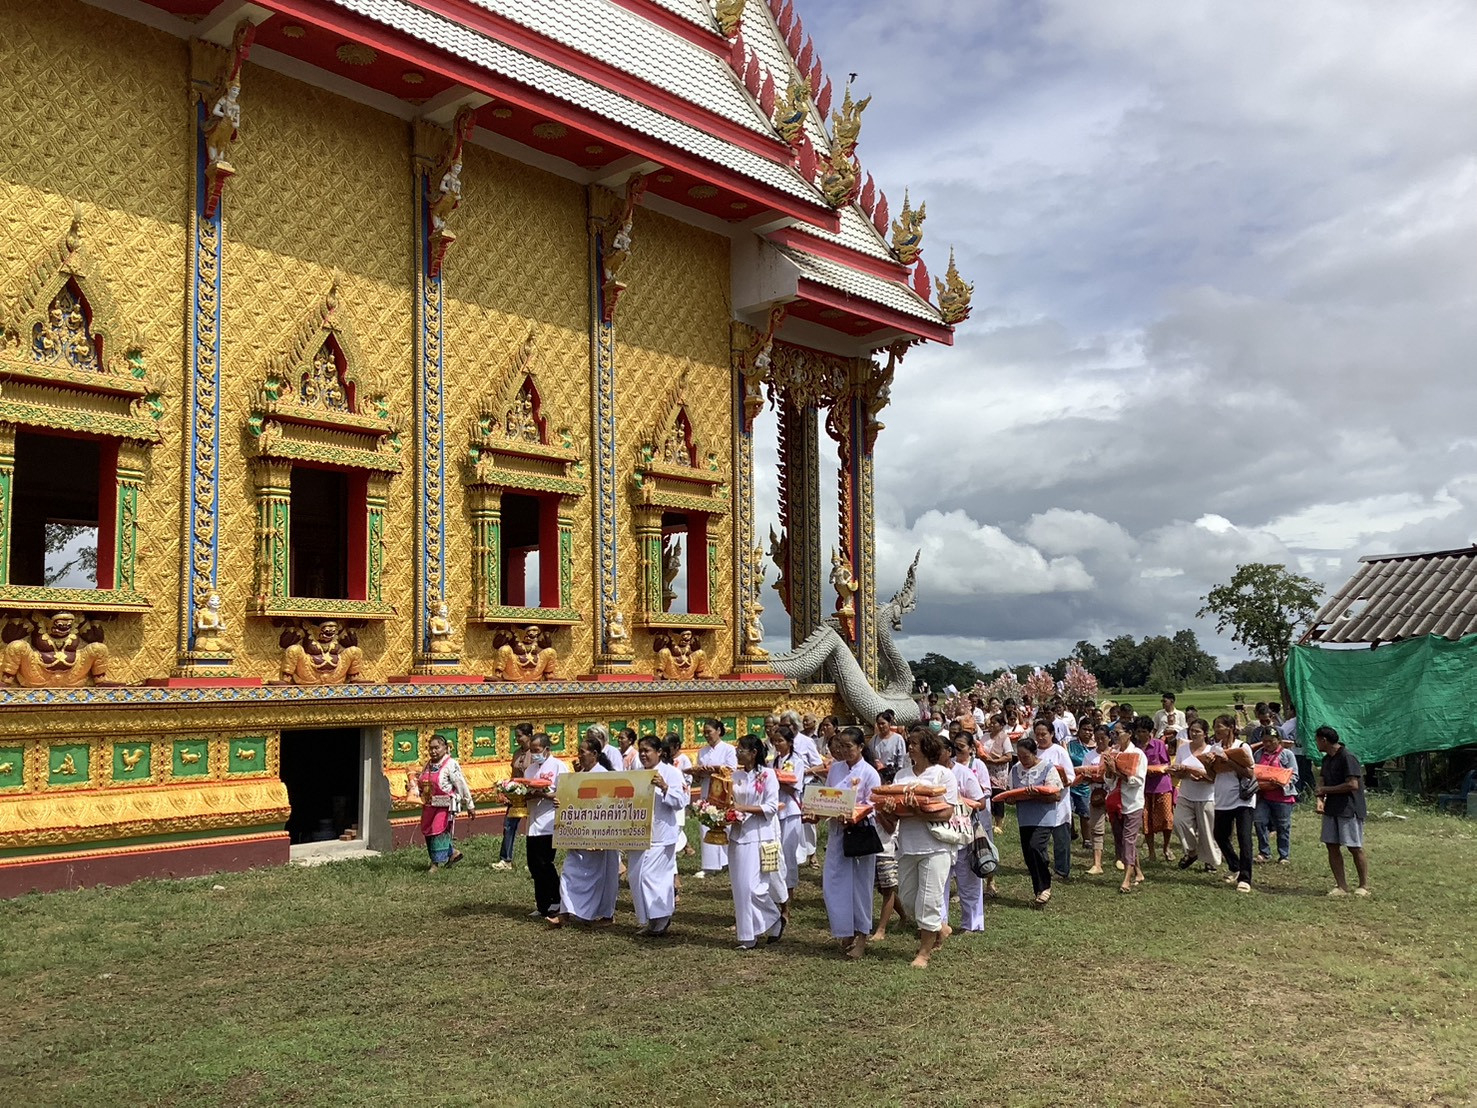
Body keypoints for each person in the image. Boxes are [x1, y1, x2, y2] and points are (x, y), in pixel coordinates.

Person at [888, 729, 958, 968]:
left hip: (935, 846)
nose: (910, 748)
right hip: (907, 845)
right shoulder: (901, 776)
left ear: (927, 747)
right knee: (908, 900)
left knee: (929, 900)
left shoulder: (943, 775)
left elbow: (948, 811)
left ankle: (923, 953)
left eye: (914, 744)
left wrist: (919, 810)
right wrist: (889, 808)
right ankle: (940, 927)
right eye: (909, 743)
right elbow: (895, 811)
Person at [822, 725, 882, 958]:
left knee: (860, 887)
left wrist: (854, 814)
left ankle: (862, 936)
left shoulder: (869, 772)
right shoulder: (835, 769)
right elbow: (828, 796)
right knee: (834, 883)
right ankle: (844, 930)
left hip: (860, 835)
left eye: (849, 747)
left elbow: (873, 805)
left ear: (860, 747)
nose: (845, 751)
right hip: (837, 833)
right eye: (841, 746)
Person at [554, 728, 618, 927]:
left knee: (600, 877)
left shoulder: (606, 776)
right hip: (577, 834)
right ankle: (565, 912)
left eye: (583, 752)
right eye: (579, 751)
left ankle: (600, 914)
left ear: (595, 754)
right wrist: (560, 803)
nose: (579, 755)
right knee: (569, 871)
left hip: (599, 835)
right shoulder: (578, 776)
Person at [727, 734, 784, 949]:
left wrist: (744, 809)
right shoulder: (736, 776)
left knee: (755, 888)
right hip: (738, 835)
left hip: (759, 835)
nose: (737, 753)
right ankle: (747, 936)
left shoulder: (767, 774)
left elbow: (771, 806)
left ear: (753, 753)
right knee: (740, 888)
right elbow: (728, 800)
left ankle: (774, 917)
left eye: (741, 749)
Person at [631, 734, 688, 937]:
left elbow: (681, 801)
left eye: (647, 751)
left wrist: (664, 787)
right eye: (641, 751)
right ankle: (649, 919)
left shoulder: (671, 773)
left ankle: (662, 918)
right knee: (636, 876)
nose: (643, 755)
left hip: (662, 834)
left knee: (653, 877)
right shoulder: (636, 773)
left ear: (659, 752)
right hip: (638, 832)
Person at [1004, 735, 1059, 907]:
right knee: (1029, 854)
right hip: (1025, 819)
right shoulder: (1015, 770)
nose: (1022, 760)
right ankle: (1039, 890)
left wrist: (1038, 795)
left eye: (1025, 756)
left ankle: (1045, 886)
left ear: (1034, 753)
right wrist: (1011, 799)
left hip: (1043, 817)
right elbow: (1010, 793)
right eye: (1019, 757)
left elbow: (1056, 795)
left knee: (1036, 846)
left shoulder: (1048, 768)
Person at [1315, 726, 1370, 897]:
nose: (1316, 743)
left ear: (1324, 740)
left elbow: (1353, 785)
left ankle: (1364, 886)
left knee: (1354, 846)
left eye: (1317, 740)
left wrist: (1326, 790)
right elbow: (1321, 783)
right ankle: (1341, 886)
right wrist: (1320, 799)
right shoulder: (1326, 760)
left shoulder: (1347, 757)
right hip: (1332, 808)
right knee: (1331, 845)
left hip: (1349, 808)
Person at [1205, 713, 1256, 893]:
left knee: (1244, 838)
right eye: (1215, 726)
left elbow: (1249, 773)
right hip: (1222, 798)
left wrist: (1230, 762)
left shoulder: (1242, 747)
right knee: (1220, 835)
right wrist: (1208, 765)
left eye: (1220, 726)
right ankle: (1234, 865)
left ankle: (1245, 878)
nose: (1217, 730)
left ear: (1231, 728)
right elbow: (1211, 777)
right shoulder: (1213, 748)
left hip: (1243, 799)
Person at [523, 732, 567, 923]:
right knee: (533, 865)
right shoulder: (530, 770)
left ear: (547, 749)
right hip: (533, 821)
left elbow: (564, 792)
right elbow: (525, 790)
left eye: (537, 750)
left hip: (549, 821)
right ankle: (541, 904)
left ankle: (556, 901)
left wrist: (543, 794)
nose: (534, 754)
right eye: (532, 751)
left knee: (545, 863)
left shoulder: (559, 766)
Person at [415, 733, 474, 871]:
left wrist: (469, 804)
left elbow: (461, 784)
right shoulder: (428, 764)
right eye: (430, 748)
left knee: (438, 831)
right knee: (428, 831)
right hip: (429, 805)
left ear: (445, 748)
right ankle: (453, 853)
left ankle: (434, 864)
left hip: (444, 806)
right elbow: (422, 782)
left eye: (437, 748)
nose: (433, 751)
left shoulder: (451, 764)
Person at [1170, 718, 1221, 872]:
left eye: (1197, 731)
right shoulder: (1183, 749)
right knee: (1179, 823)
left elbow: (1216, 776)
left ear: (1205, 734)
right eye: (1191, 731)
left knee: (1207, 831)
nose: (1193, 734)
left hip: (1206, 796)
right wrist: (1179, 771)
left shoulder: (1212, 751)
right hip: (1185, 793)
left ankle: (1211, 861)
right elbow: (1177, 771)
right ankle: (1192, 851)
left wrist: (1201, 776)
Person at [690, 719, 737, 878]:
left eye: (709, 731)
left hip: (722, 792)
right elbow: (698, 776)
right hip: (706, 790)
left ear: (718, 731)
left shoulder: (729, 749)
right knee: (706, 824)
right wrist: (697, 773)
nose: (707, 735)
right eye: (704, 732)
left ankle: (728, 861)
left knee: (725, 824)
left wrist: (715, 770)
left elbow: (731, 770)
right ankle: (710, 865)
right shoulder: (702, 751)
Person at [1104, 724, 1146, 893]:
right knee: (1121, 838)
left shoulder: (1138, 754)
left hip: (1133, 802)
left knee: (1129, 839)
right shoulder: (1113, 752)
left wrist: (1119, 772)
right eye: (1113, 733)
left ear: (1129, 734)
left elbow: (1138, 780)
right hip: (1116, 801)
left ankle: (1126, 879)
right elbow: (1108, 781)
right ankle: (1138, 872)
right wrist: (1109, 771)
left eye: (1119, 733)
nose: (1115, 736)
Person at [1031, 719, 1075, 881]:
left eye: (1044, 734)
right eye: (1038, 735)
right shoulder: (1033, 751)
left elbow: (1070, 775)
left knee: (1061, 838)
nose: (1041, 738)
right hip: (1039, 801)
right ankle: (1042, 865)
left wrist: (1058, 784)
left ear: (1051, 734)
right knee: (1039, 839)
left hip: (1059, 801)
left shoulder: (1059, 751)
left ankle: (1062, 870)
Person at [771, 723, 806, 918]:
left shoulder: (797, 761)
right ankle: (778, 894)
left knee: (789, 853)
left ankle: (789, 896)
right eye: (775, 741)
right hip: (776, 809)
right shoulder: (774, 761)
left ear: (790, 742)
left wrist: (779, 780)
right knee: (777, 853)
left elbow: (795, 787)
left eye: (780, 741)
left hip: (791, 809)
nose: (777, 745)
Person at [1254, 726, 1299, 863]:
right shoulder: (1259, 754)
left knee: (1282, 826)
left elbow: (1294, 775)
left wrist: (1280, 781)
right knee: (1259, 822)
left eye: (1271, 741)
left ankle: (1284, 855)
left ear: (1278, 740)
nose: (1267, 744)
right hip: (1263, 795)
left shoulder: (1287, 754)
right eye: (1265, 741)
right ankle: (1264, 852)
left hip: (1282, 797)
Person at [494, 722, 534, 871]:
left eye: (520, 736)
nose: (517, 739)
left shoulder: (536, 754)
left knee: (532, 828)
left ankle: (533, 861)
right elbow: (514, 774)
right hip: (516, 795)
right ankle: (506, 860)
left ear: (529, 736)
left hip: (531, 795)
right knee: (509, 825)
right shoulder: (517, 753)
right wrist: (508, 790)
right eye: (516, 736)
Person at [1140, 718, 1175, 862]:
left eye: (1143, 731)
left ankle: (1166, 847)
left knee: (1167, 818)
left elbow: (1166, 764)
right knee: (1146, 821)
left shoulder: (1159, 745)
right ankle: (1151, 852)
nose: (1140, 734)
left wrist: (1154, 770)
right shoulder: (1136, 747)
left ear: (1150, 732)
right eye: (1138, 731)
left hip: (1162, 785)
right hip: (1144, 787)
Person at [1084, 725, 1109, 875]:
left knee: (1119, 827)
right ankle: (1097, 863)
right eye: (1097, 738)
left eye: (1103, 738)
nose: (1100, 741)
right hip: (1096, 794)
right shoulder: (1089, 756)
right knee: (1096, 827)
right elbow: (1083, 776)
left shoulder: (1115, 753)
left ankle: (1121, 857)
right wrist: (1088, 777)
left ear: (1109, 738)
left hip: (1114, 793)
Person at [870, 709, 907, 783]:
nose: (881, 726)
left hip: (893, 774)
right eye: (878, 724)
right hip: (878, 774)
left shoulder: (898, 739)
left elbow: (902, 759)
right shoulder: (874, 739)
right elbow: (870, 755)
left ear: (889, 723)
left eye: (883, 723)